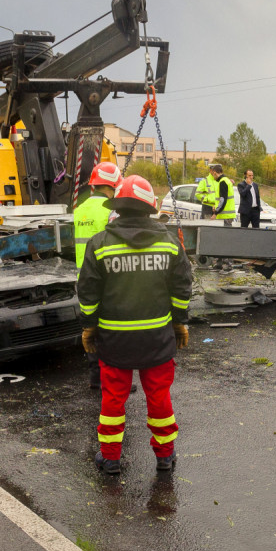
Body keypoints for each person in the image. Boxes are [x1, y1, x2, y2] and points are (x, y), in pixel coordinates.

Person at [78, 175, 193, 475]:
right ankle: (165, 458)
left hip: (114, 340)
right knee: (159, 398)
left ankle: (111, 459)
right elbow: (182, 289)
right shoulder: (169, 245)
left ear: (119, 208)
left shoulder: (99, 244)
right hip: (157, 339)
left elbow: (87, 293)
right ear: (149, 209)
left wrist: (89, 327)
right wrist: (180, 324)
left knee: (113, 400)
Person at [73, 161, 123, 390]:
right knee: (111, 328)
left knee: (90, 326)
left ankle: (95, 377)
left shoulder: (80, 208)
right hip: (106, 276)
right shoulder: (111, 210)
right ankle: (112, 379)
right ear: (111, 186)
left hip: (83, 276)